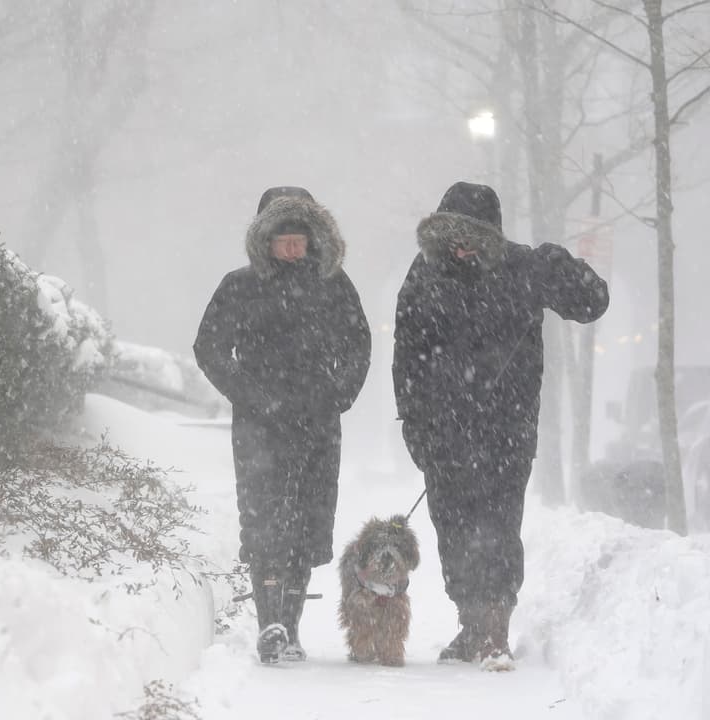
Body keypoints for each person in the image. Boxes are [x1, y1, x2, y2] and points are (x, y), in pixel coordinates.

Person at [392, 181, 609, 669]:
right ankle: (471, 625)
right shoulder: (424, 276)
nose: (463, 246)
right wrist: (413, 420)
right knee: (452, 527)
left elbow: (593, 302)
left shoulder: (521, 269)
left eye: (475, 236)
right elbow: (406, 354)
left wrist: (555, 264)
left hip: (505, 431)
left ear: (494, 236)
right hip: (442, 431)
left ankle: (495, 631)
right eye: (453, 236)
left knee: (496, 526)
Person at [194, 186, 371, 664]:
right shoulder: (239, 285)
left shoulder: (335, 285)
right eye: (283, 240)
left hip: (318, 423)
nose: (293, 248)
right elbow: (209, 347)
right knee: (266, 520)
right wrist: (251, 396)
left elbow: (359, 346)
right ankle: (270, 622)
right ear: (264, 241)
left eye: (300, 239)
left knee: (307, 523)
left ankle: (290, 627)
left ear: (315, 239)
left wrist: (337, 394)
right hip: (259, 426)